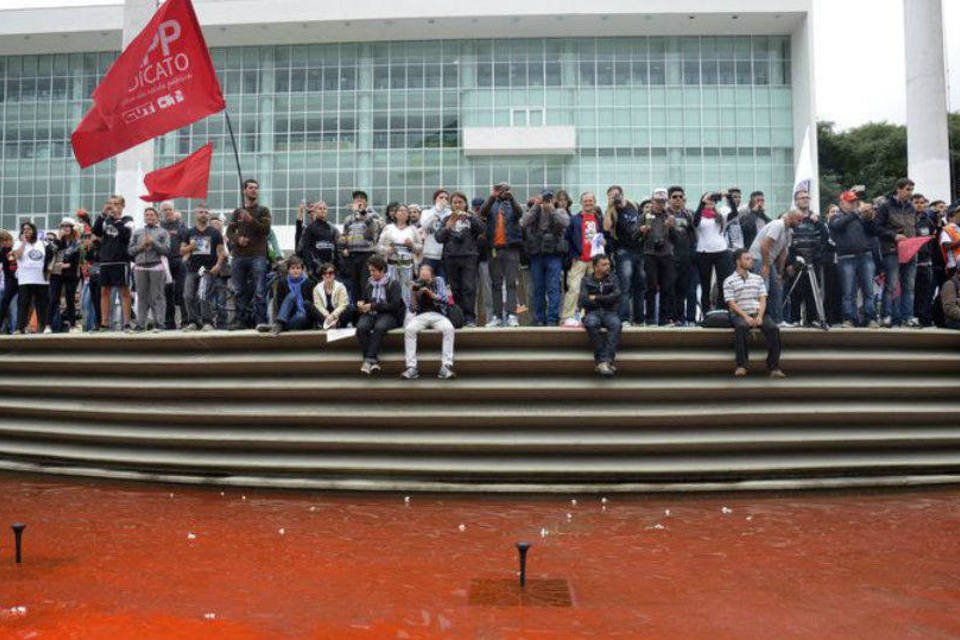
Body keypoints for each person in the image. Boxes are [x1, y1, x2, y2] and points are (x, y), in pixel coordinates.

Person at [723, 248, 786, 379]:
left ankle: (773, 366)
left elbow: (763, 299)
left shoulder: (758, 278)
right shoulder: (729, 280)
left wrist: (760, 316)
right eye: (747, 259)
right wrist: (745, 316)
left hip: (758, 312)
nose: (751, 261)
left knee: (773, 328)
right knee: (741, 327)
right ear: (738, 262)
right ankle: (741, 365)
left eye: (751, 258)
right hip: (740, 313)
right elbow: (731, 303)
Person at [226, 178, 272, 329]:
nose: (254, 190)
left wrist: (250, 219)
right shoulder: (237, 212)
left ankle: (261, 321)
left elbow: (265, 230)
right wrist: (238, 239)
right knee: (239, 290)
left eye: (256, 188)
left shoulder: (263, 211)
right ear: (244, 191)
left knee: (260, 290)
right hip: (239, 256)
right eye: (250, 188)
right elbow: (229, 231)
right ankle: (240, 320)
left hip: (257, 255)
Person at [829, 190, 879, 327]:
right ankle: (849, 318)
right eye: (850, 201)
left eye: (854, 201)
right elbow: (837, 225)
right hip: (846, 258)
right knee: (848, 291)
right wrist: (857, 213)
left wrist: (870, 218)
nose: (854, 204)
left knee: (869, 290)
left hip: (865, 256)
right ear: (842, 203)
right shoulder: (835, 217)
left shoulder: (861, 217)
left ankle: (870, 318)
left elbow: (874, 232)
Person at [520, 189, 569, 326]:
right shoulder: (534, 210)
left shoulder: (559, 211)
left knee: (553, 287)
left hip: (554, 256)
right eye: (544, 198)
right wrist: (536, 205)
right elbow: (524, 222)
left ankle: (553, 318)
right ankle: (539, 318)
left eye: (550, 198)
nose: (547, 201)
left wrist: (552, 209)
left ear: (554, 199)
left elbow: (565, 223)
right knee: (538, 288)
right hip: (537, 255)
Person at [436, 191, 485, 326]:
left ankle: (470, 318)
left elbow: (482, 229)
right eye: (455, 203)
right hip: (451, 258)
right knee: (455, 289)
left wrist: (470, 217)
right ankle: (459, 318)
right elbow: (439, 238)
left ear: (465, 204)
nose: (457, 205)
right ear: (451, 205)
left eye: (460, 202)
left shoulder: (470, 218)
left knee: (469, 288)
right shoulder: (446, 219)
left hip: (469, 257)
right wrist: (449, 224)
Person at [875, 178, 919, 327]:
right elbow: (877, 228)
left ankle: (908, 317)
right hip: (892, 250)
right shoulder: (885, 206)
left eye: (911, 190)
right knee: (892, 285)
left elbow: (914, 227)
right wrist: (894, 236)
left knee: (909, 286)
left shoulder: (911, 208)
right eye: (907, 189)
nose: (910, 193)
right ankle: (886, 315)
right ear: (898, 189)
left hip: (911, 250)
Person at [479, 182, 524, 327]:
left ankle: (512, 315)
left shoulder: (512, 204)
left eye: (506, 189)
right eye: (500, 189)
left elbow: (520, 214)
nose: (503, 192)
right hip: (493, 249)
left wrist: (511, 199)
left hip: (511, 249)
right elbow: (482, 212)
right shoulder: (491, 203)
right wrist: (492, 196)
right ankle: (497, 316)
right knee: (496, 284)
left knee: (511, 283)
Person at [748, 209, 804, 325]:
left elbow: (783, 253)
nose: (800, 223)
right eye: (799, 220)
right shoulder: (778, 225)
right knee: (764, 289)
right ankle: (759, 319)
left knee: (777, 289)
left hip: (769, 260)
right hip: (758, 258)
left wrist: (779, 272)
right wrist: (765, 265)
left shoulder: (788, 231)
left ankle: (777, 320)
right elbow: (764, 245)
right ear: (791, 217)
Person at [402, 263, 456, 380]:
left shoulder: (438, 281)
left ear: (431, 273)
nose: (423, 274)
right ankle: (412, 367)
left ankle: (446, 366)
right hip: (421, 316)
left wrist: (431, 294)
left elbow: (446, 300)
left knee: (449, 329)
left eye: (426, 271)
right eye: (421, 272)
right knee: (409, 329)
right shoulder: (416, 284)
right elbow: (412, 309)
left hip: (438, 315)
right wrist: (413, 294)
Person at [785, 191, 831, 326]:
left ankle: (811, 320)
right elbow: (787, 243)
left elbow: (825, 237)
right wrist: (789, 262)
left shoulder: (816, 218)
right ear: (796, 200)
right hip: (796, 261)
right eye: (802, 198)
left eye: (807, 197)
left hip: (813, 261)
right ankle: (794, 319)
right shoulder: (791, 217)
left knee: (812, 291)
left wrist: (819, 223)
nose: (805, 200)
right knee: (795, 290)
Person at [355, 254, 404, 375]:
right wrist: (362, 305)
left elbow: (394, 305)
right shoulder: (368, 283)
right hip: (371, 314)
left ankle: (368, 360)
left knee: (379, 328)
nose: (371, 273)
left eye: (373, 270)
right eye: (370, 270)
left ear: (382, 269)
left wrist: (373, 306)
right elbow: (365, 299)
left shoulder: (394, 284)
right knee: (361, 328)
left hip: (389, 314)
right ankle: (373, 361)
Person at [603, 185, 645, 326]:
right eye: (611, 195)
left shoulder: (633, 205)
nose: (615, 197)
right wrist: (609, 207)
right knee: (624, 286)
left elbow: (642, 220)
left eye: (616, 195)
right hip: (623, 251)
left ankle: (639, 320)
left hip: (639, 250)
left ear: (622, 194)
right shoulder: (612, 211)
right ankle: (624, 318)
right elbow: (606, 228)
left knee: (639, 285)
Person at [562, 192, 604, 326]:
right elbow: (567, 238)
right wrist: (573, 256)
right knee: (574, 288)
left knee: (593, 290)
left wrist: (604, 243)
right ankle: (567, 317)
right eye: (585, 201)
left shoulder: (599, 219)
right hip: (579, 260)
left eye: (590, 201)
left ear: (595, 202)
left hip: (595, 261)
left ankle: (587, 316)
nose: (588, 203)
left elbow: (604, 237)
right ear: (581, 203)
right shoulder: (575, 219)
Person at [181, 204, 226, 332]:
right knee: (187, 295)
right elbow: (181, 250)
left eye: (206, 212)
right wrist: (191, 247)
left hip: (207, 269)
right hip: (192, 269)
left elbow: (221, 251)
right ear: (196, 214)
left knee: (203, 294)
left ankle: (207, 322)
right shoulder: (189, 232)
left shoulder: (215, 233)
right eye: (201, 212)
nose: (203, 214)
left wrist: (218, 265)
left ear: (209, 215)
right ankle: (193, 322)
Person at [93, 196, 133, 331]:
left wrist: (117, 219)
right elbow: (96, 231)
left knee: (124, 291)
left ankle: (127, 322)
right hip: (106, 260)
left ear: (122, 205)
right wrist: (103, 214)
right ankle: (104, 323)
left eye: (116, 204)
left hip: (121, 260)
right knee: (104, 291)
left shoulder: (128, 220)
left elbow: (125, 236)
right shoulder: (106, 220)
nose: (113, 206)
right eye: (110, 203)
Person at [128, 207, 170, 331]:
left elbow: (167, 250)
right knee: (141, 297)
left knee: (157, 296)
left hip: (156, 266)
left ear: (157, 217)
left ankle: (160, 324)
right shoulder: (137, 232)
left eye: (152, 215)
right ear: (144, 217)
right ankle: (140, 324)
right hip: (140, 267)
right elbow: (130, 251)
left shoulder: (163, 232)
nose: (149, 217)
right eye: (147, 215)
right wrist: (142, 246)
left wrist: (154, 243)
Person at [579, 254, 621, 378]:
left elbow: (616, 297)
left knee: (616, 325)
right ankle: (605, 361)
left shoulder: (613, 278)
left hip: (609, 312)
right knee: (591, 324)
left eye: (608, 264)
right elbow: (584, 300)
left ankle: (604, 361)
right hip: (592, 312)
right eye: (604, 264)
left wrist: (596, 297)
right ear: (595, 267)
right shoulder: (586, 280)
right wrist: (606, 299)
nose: (608, 267)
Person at [693, 191, 733, 317]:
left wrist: (728, 197)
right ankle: (706, 312)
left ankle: (723, 310)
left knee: (724, 282)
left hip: (721, 251)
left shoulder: (720, 215)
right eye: (707, 200)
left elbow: (734, 213)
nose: (710, 202)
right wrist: (702, 203)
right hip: (704, 252)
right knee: (705, 284)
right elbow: (695, 222)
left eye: (712, 200)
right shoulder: (699, 215)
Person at [642, 188, 677, 326]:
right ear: (652, 201)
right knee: (651, 287)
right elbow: (634, 237)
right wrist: (642, 231)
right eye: (657, 201)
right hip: (650, 254)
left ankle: (663, 319)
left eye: (663, 201)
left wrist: (671, 227)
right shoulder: (644, 216)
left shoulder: (670, 216)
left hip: (666, 255)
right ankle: (650, 319)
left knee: (666, 287)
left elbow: (676, 239)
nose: (660, 204)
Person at [340, 189, 382, 304]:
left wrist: (363, 214)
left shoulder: (372, 216)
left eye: (361, 199)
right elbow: (345, 235)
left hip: (367, 255)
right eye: (356, 199)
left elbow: (372, 233)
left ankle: (366, 310)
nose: (358, 200)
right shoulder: (348, 219)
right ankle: (355, 315)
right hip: (352, 255)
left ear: (366, 203)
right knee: (354, 284)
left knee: (365, 283)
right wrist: (344, 246)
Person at [378, 202, 422, 309]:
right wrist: (388, 250)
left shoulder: (413, 229)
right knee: (393, 288)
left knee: (407, 289)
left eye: (405, 211)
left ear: (408, 215)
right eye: (400, 211)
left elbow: (420, 248)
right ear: (395, 214)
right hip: (392, 265)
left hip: (407, 265)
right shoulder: (388, 228)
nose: (403, 213)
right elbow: (379, 247)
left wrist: (411, 244)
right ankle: (394, 311)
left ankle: (407, 311)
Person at [260, 256, 319, 335]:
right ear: (288, 270)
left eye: (298, 268)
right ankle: (279, 324)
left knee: (301, 315)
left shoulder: (310, 283)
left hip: (304, 318)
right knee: (292, 295)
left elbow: (313, 305)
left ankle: (277, 326)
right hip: (288, 317)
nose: (295, 271)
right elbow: (280, 304)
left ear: (302, 270)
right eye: (293, 268)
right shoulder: (282, 283)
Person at [12, 221, 52, 334]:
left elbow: (50, 257)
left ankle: (44, 326)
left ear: (34, 230)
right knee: (23, 303)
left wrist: (49, 271)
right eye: (24, 229)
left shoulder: (43, 243)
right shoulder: (18, 243)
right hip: (25, 279)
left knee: (42, 304)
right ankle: (20, 328)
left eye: (29, 229)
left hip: (41, 279)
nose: (26, 231)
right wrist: (23, 243)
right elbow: (17, 256)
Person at [666, 186, 696, 325]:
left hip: (686, 256)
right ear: (669, 199)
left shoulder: (689, 214)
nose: (678, 199)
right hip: (670, 256)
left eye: (680, 197)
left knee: (683, 289)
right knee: (670, 288)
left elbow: (694, 234)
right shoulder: (664, 213)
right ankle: (670, 317)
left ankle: (681, 317)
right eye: (674, 197)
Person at [47, 217, 81, 332]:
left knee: (70, 299)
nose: (65, 228)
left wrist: (68, 265)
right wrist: (58, 239)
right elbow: (49, 252)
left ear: (72, 228)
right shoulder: (56, 241)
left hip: (70, 274)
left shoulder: (75, 243)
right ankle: (48, 325)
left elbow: (77, 260)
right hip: (56, 273)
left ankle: (72, 325)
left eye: (68, 226)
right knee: (53, 299)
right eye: (63, 226)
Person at [160, 201, 188, 329]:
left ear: (173, 210)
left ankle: (186, 321)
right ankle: (169, 322)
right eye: (165, 210)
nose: (168, 212)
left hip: (180, 262)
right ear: (161, 212)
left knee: (182, 292)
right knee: (167, 293)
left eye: (170, 209)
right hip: (165, 263)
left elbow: (188, 244)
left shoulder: (181, 225)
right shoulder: (159, 226)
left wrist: (185, 258)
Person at [296, 200, 340, 280]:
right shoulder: (309, 228)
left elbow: (336, 247)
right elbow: (306, 248)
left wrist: (337, 265)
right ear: (315, 211)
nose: (323, 210)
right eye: (320, 209)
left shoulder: (331, 228)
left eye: (324, 208)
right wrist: (309, 267)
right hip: (316, 267)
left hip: (330, 266)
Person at [913, 193, 937, 327]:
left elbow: (933, 239)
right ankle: (913, 317)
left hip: (926, 262)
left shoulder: (928, 221)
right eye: (916, 202)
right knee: (913, 292)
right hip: (911, 262)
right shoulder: (908, 219)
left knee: (927, 292)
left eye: (922, 202)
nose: (920, 205)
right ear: (911, 204)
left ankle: (925, 319)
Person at [472, 196, 495, 325]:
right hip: (472, 261)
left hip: (486, 259)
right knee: (473, 292)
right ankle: (472, 320)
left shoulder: (490, 221)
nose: (478, 210)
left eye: (479, 207)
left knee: (488, 291)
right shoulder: (470, 221)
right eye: (475, 208)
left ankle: (490, 319)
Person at [419, 189, 451, 277]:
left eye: (446, 198)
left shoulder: (450, 213)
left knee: (442, 282)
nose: (443, 200)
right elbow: (424, 225)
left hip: (444, 254)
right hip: (429, 253)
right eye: (441, 197)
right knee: (426, 280)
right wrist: (437, 211)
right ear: (435, 199)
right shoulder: (426, 212)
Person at [313, 262, 351, 329]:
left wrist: (333, 316)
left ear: (334, 275)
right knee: (308, 305)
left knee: (350, 308)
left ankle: (337, 324)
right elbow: (318, 305)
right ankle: (324, 324)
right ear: (322, 275)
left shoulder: (341, 287)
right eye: (325, 273)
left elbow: (343, 305)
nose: (327, 275)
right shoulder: (317, 288)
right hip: (324, 316)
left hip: (337, 316)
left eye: (330, 273)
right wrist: (327, 315)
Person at [0, 229, 18, 333]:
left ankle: (14, 329)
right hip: (8, 280)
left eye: (6, 240)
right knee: (6, 305)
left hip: (14, 281)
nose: (5, 243)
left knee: (12, 307)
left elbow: (12, 263)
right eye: (3, 241)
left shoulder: (12, 249)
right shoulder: (3, 251)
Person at [939, 202, 960, 281]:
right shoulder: (947, 229)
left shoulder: (958, 228)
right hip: (954, 266)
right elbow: (946, 245)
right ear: (951, 217)